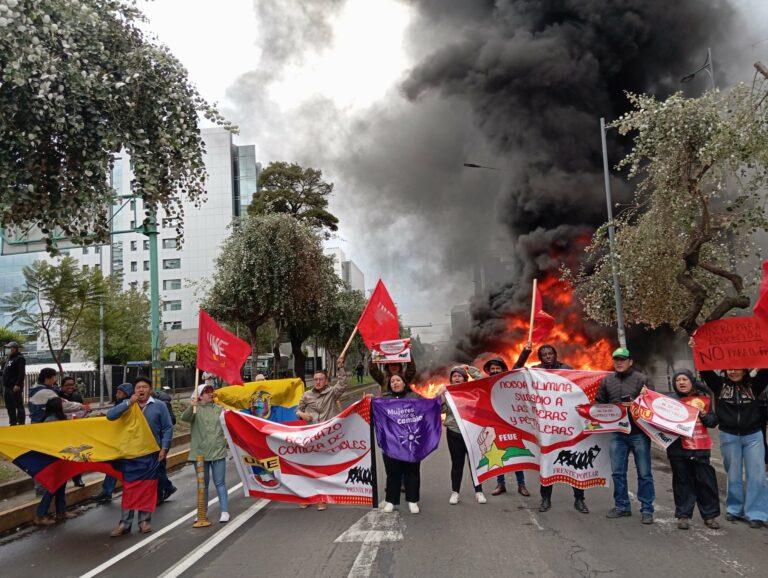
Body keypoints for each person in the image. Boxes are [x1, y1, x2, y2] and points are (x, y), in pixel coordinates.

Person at [700, 366, 768, 529]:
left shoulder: (754, 385)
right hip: (729, 435)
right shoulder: (719, 385)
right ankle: (734, 509)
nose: (733, 372)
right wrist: (696, 346)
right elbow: (704, 368)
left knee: (757, 475)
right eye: (729, 369)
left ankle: (757, 513)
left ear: (745, 370)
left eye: (737, 369)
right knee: (734, 474)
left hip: (753, 436)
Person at [594, 347, 656, 524]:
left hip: (639, 434)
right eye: (616, 359)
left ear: (630, 362)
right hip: (617, 434)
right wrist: (590, 411)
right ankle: (622, 506)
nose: (619, 362)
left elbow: (652, 405)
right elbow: (600, 402)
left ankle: (647, 509)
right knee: (617, 473)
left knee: (644, 473)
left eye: (622, 359)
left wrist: (641, 400)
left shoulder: (642, 380)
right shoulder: (607, 380)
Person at [107, 376, 173, 536]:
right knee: (129, 489)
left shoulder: (159, 406)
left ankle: (144, 521)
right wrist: (129, 403)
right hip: (130, 455)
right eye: (138, 387)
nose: (141, 390)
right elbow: (110, 416)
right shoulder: (127, 405)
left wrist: (164, 448)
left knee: (147, 488)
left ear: (150, 389)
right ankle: (125, 523)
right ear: (134, 391)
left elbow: (167, 428)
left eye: (144, 387)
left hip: (151, 454)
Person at [527, 345, 588, 514]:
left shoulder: (567, 370)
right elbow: (518, 372)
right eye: (544, 354)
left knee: (575, 462)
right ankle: (545, 499)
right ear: (540, 357)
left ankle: (579, 499)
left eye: (550, 353)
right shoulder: (535, 371)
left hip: (568, 424)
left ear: (555, 354)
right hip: (547, 426)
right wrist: (525, 352)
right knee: (547, 462)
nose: (547, 356)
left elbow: (578, 389)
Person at [665, 369, 720, 530]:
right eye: (678, 380)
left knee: (706, 483)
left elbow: (713, 422)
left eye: (684, 379)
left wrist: (704, 414)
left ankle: (710, 516)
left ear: (691, 381)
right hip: (677, 450)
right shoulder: (669, 401)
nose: (681, 382)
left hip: (700, 449)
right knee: (682, 483)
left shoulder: (704, 399)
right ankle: (683, 515)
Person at [296, 356, 346, 511]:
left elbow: (343, 383)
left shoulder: (332, 393)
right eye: (316, 379)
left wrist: (340, 367)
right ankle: (307, 497)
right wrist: (301, 414)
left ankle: (322, 498)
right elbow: (298, 410)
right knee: (309, 468)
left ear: (325, 381)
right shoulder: (306, 395)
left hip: (326, 437)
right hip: (310, 437)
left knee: (323, 469)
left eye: (321, 379)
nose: (318, 382)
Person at [485, 350, 531, 498]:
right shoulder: (485, 384)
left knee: (516, 452)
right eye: (492, 369)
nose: (495, 371)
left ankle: (521, 485)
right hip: (495, 424)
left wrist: (526, 351)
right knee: (498, 455)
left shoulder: (510, 380)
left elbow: (518, 366)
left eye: (497, 368)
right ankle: (500, 484)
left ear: (503, 369)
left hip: (512, 422)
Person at [181, 384, 229, 523]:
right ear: (200, 395)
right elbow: (185, 418)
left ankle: (224, 511)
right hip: (200, 453)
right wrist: (192, 405)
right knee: (203, 485)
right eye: (206, 392)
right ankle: (202, 512)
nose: (210, 394)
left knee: (220, 482)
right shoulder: (195, 409)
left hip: (218, 451)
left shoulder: (219, 409)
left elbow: (230, 419)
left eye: (211, 391)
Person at [440, 366, 486, 505]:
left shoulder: (472, 391)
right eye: (454, 376)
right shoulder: (448, 393)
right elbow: (442, 409)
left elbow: (483, 381)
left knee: (475, 462)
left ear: (465, 378)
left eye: (460, 376)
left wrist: (469, 369)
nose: (457, 378)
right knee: (457, 463)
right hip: (454, 432)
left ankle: (479, 491)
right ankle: (455, 492)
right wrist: (441, 395)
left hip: (471, 431)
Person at [380, 374, 423, 514]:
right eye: (392, 381)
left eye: (398, 380)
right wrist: (367, 401)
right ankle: (391, 501)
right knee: (393, 473)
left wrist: (439, 397)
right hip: (391, 443)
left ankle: (413, 500)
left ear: (404, 383)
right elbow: (375, 415)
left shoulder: (415, 397)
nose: (395, 383)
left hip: (411, 442)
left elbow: (427, 410)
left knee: (412, 472)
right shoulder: (384, 399)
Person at [33, 397, 77, 525]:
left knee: (61, 484)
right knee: (53, 486)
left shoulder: (56, 418)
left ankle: (61, 512)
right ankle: (40, 515)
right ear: (57, 406)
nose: (65, 405)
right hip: (52, 457)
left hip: (59, 456)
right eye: (62, 403)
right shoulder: (51, 420)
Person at [94, 383, 133, 503]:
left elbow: (113, 416)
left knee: (118, 468)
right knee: (115, 468)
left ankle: (109, 491)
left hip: (124, 443)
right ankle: (107, 491)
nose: (116, 395)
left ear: (126, 394)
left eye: (119, 392)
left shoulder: (126, 404)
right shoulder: (122, 404)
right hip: (120, 443)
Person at [57, 376, 86, 487]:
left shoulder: (77, 396)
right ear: (62, 386)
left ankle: (77, 478)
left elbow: (83, 409)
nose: (70, 387)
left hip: (76, 430)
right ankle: (60, 481)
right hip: (62, 431)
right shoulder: (57, 397)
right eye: (67, 385)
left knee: (76, 456)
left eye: (72, 385)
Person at [152, 386, 177, 504]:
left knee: (159, 468)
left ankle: (162, 492)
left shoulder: (162, 404)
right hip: (151, 441)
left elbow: (171, 421)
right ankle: (165, 489)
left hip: (161, 440)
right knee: (157, 468)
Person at [2, 341, 26, 426]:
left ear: (14, 348)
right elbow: (5, 371)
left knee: (18, 405)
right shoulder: (9, 358)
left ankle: (21, 423)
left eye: (9, 347)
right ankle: (13, 423)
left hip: (14, 387)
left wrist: (18, 384)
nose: (7, 349)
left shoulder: (19, 358)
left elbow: (21, 373)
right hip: (7, 387)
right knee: (10, 406)